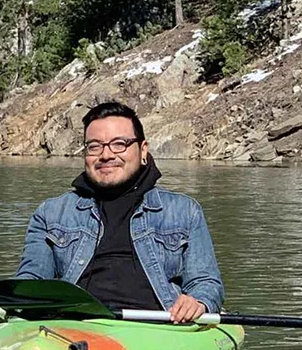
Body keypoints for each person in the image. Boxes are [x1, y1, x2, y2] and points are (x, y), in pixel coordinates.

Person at [15, 102, 223, 323]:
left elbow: (206, 283)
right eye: (94, 146)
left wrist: (198, 301)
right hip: (72, 328)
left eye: (119, 144)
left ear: (143, 151)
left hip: (160, 329)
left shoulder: (185, 212)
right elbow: (32, 279)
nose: (106, 155)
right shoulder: (50, 214)